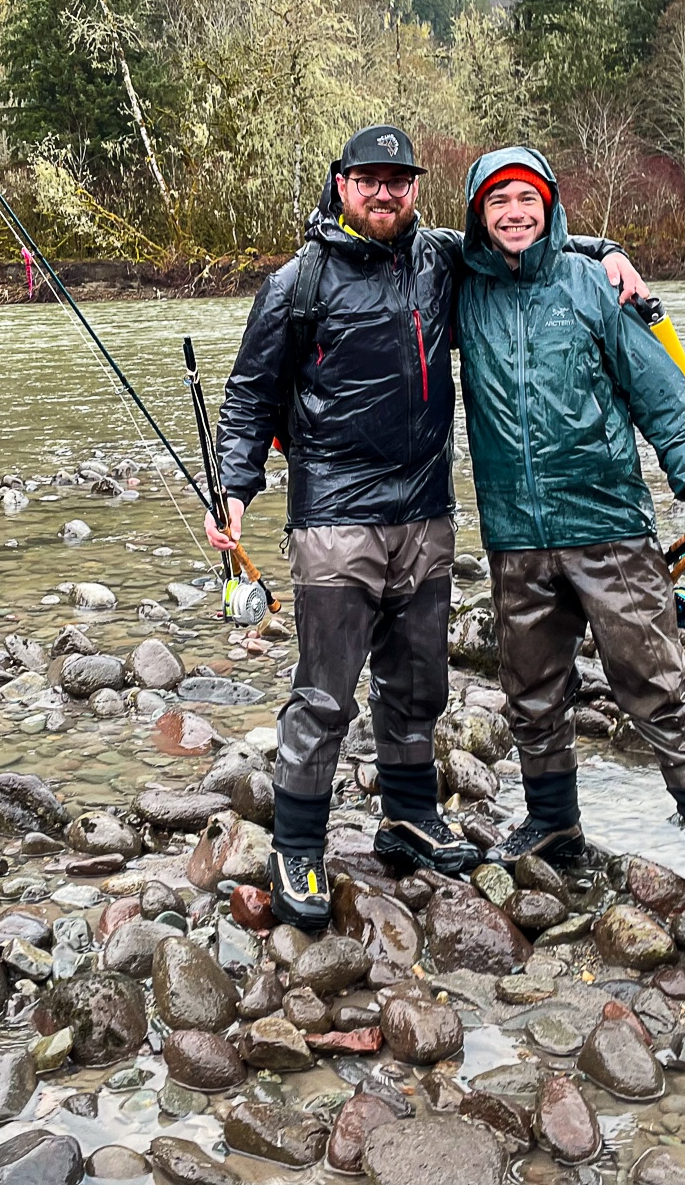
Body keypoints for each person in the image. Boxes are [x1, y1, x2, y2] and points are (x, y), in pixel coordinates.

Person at [209, 124, 652, 931]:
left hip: (425, 513)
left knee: (418, 689)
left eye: (400, 180)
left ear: (415, 188)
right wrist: (233, 491)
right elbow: (247, 398)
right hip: (335, 517)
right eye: (370, 179)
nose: (386, 193)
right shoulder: (296, 283)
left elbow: (518, 238)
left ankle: (410, 821)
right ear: (341, 183)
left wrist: (607, 249)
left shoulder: (440, 258)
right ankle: (298, 850)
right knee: (324, 696)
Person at [454, 145, 685, 912]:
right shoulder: (463, 288)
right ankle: (555, 823)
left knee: (658, 685)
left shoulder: (591, 286)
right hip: (515, 536)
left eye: (528, 199)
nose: (514, 213)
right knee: (529, 691)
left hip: (609, 526)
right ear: (478, 216)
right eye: (498, 202)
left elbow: (658, 392)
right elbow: (391, 245)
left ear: (550, 206)